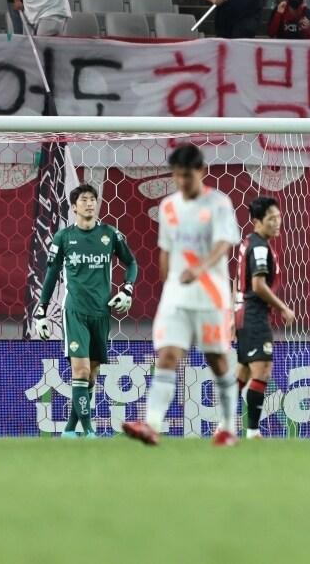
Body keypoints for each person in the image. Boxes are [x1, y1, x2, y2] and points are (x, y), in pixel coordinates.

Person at [123, 144, 241, 447]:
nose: (181, 183)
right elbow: (165, 248)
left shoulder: (218, 204)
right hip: (177, 296)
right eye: (176, 176)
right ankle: (152, 425)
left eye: (186, 176)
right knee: (167, 356)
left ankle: (228, 426)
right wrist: (167, 285)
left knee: (217, 360)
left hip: (211, 297)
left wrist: (198, 269)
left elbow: (224, 244)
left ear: (200, 172)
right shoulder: (169, 207)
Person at [34, 184, 137, 438]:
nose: (90, 204)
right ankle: (89, 431)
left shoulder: (110, 234)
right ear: (74, 206)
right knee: (80, 371)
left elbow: (132, 262)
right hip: (75, 312)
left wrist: (127, 289)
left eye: (93, 199)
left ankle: (70, 429)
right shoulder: (64, 238)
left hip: (101, 313)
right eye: (84, 200)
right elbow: (51, 274)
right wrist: (41, 311)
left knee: (91, 375)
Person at [234, 197, 295, 440]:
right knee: (262, 370)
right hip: (254, 315)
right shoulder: (259, 247)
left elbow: (239, 283)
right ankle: (252, 431)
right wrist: (282, 307)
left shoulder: (250, 242)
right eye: (271, 219)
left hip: (244, 314)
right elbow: (258, 285)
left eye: (278, 217)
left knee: (243, 373)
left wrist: (233, 316)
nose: (277, 223)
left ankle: (225, 425)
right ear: (257, 221)